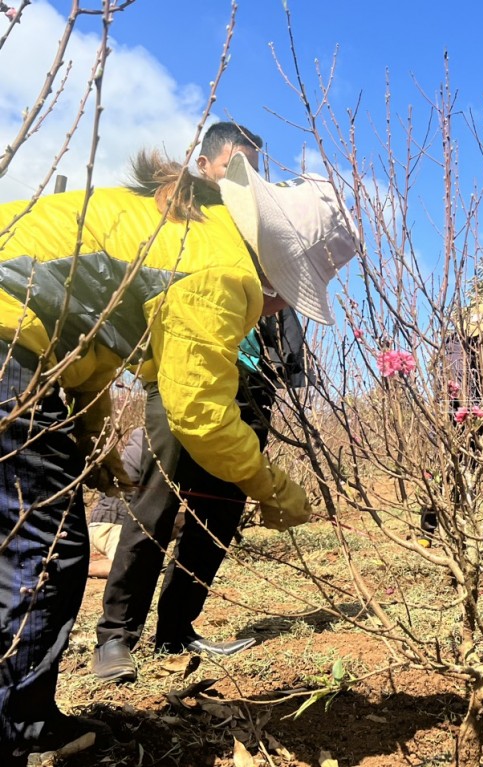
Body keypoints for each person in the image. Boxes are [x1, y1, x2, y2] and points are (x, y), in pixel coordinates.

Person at [0, 146, 359, 763]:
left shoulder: (189, 228)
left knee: (29, 539)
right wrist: (272, 486)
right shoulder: (221, 268)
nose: (278, 310)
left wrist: (91, 438)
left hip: (24, 349)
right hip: (8, 347)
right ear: (275, 269)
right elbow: (200, 414)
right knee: (47, 549)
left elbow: (88, 344)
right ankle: (17, 731)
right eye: (287, 294)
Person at [92, 123, 307, 683]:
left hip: (250, 381)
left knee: (219, 509)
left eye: (255, 166)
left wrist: (285, 365)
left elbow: (284, 302)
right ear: (205, 163)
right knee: (157, 507)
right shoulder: (185, 217)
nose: (247, 177)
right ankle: (116, 638)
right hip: (181, 376)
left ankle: (178, 629)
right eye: (236, 164)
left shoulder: (261, 228)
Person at [418, 302, 483, 546]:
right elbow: (461, 389)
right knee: (445, 475)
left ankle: (460, 528)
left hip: (473, 424)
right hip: (454, 424)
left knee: (466, 476)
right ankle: (429, 531)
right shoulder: (456, 350)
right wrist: (474, 418)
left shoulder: (482, 355)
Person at [87, 427, 145, 579]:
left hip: (110, 520)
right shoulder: (148, 440)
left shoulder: (143, 435)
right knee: (125, 567)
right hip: (113, 524)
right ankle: (83, 569)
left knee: (181, 521)